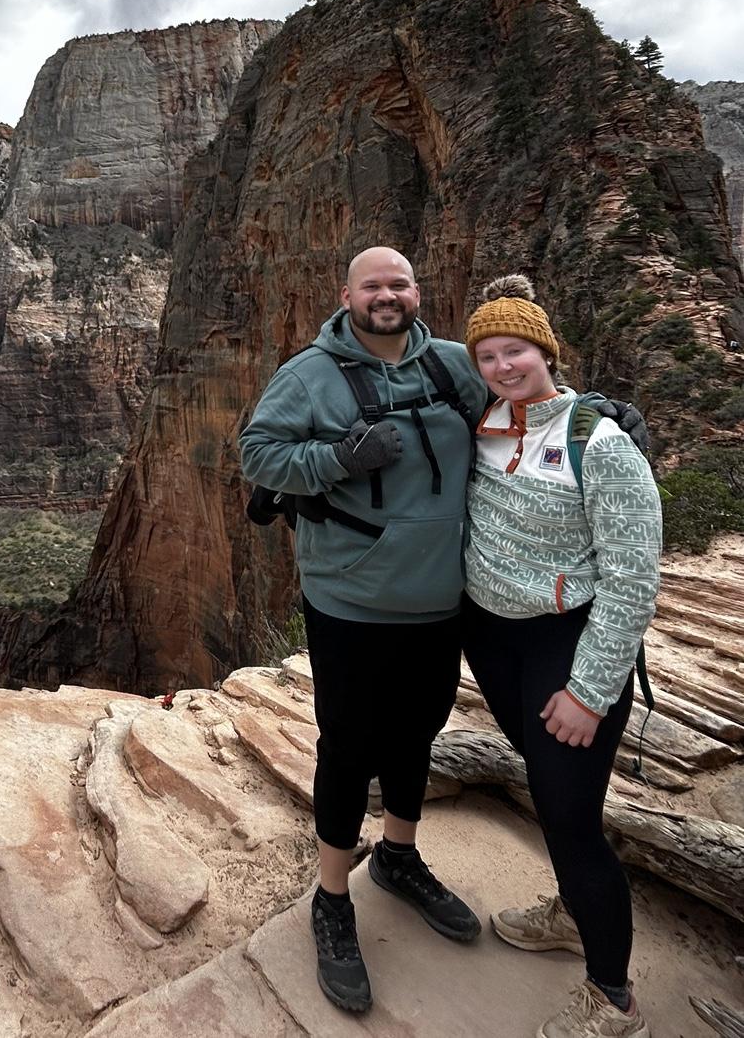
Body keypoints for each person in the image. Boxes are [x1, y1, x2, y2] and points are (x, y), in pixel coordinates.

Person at [238, 246, 489, 1014]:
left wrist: (590, 415)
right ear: (346, 295)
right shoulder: (309, 375)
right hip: (351, 600)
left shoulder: (454, 365)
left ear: (417, 292)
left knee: (418, 732)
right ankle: (331, 897)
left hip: (439, 598)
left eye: (398, 284)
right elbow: (259, 454)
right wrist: (337, 459)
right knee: (348, 747)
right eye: (372, 285)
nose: (387, 295)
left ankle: (399, 859)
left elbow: (522, 403)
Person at [462, 276, 660, 1038]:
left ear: (546, 352)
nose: (503, 367)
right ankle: (574, 917)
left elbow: (633, 580)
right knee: (551, 793)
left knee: (572, 820)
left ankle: (614, 999)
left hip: (565, 646)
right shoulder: (482, 424)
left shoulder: (599, 444)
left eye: (516, 351)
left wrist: (590, 691)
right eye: (488, 356)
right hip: (493, 641)